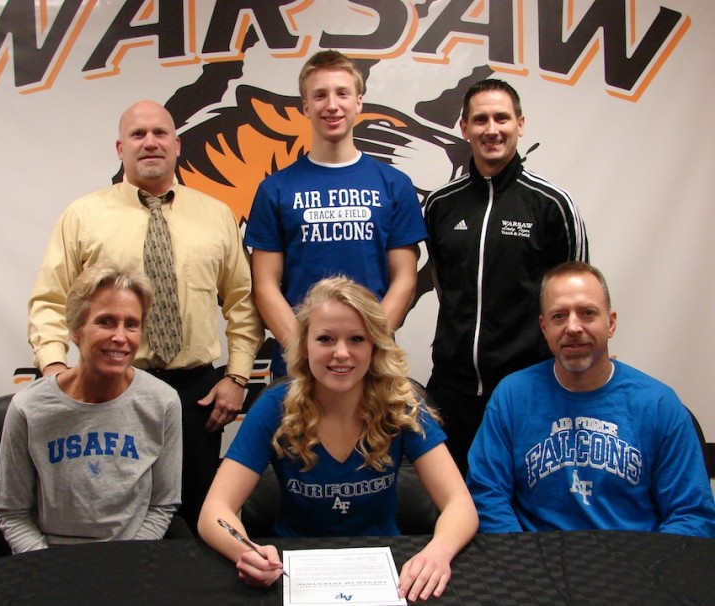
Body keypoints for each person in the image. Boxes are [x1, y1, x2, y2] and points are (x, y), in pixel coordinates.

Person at [27, 100, 264, 533]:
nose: (149, 142)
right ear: (121, 148)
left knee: (196, 517)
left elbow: (243, 303)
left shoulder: (216, 215)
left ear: (177, 145)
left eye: (159, 133)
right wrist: (55, 369)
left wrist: (237, 377)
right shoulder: (83, 216)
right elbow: (50, 299)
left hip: (197, 397)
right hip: (110, 390)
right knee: (114, 515)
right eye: (138, 135)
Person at [198, 276, 478, 602]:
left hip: (387, 573)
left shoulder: (401, 404)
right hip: (292, 575)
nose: (341, 353)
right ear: (305, 345)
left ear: (374, 346)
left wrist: (438, 551)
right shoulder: (274, 407)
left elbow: (460, 505)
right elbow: (214, 512)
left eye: (356, 339)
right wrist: (248, 553)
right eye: (326, 339)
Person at [466, 262, 715, 537]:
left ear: (610, 323)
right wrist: (521, 560)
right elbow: (486, 495)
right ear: (544, 326)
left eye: (587, 313)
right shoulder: (512, 397)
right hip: (536, 563)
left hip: (635, 566)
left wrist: (649, 573)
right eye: (559, 316)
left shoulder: (659, 405)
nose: (573, 327)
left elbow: (691, 514)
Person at [424, 78, 588, 476]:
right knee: (453, 504)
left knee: (523, 506)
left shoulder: (553, 205)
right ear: (464, 128)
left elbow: (575, 303)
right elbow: (447, 288)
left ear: (520, 123)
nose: (491, 129)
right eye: (480, 119)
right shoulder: (439, 205)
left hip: (529, 388)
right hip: (452, 389)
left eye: (502, 118)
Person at [245, 50, 427, 377]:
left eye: (342, 93)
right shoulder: (275, 189)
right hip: (297, 366)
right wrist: (305, 351)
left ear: (358, 101)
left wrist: (365, 346)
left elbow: (405, 280)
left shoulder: (394, 185)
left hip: (374, 363)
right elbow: (265, 285)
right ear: (305, 106)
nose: (331, 104)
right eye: (319, 95)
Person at [0, 262, 182, 552]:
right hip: (50, 561)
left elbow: (162, 505)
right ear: (75, 329)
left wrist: (124, 564)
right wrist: (47, 568)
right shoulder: (29, 408)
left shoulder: (163, 402)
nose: (120, 337)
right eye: (106, 321)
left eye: (131, 324)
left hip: (129, 559)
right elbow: (13, 513)